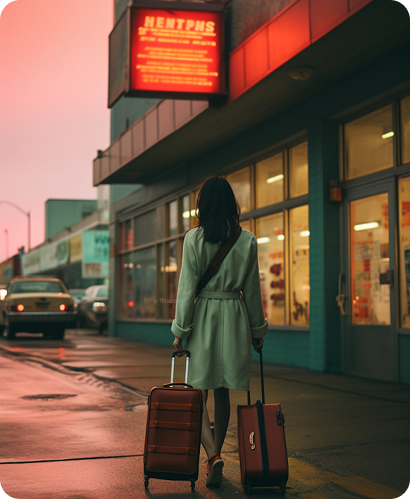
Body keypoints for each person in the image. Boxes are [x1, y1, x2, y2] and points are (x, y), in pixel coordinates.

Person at [171, 176, 268, 487]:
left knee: (197, 391)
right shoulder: (247, 240)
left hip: (204, 317)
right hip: (235, 315)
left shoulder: (193, 239)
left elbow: (187, 289)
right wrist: (257, 331)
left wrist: (180, 331)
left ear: (203, 205)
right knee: (223, 389)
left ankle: (212, 455)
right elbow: (252, 290)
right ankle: (217, 454)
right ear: (231, 204)